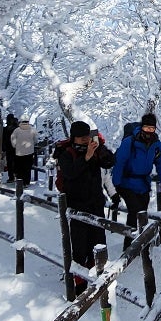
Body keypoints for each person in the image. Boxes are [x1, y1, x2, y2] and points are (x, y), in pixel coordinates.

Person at [54, 120, 115, 293]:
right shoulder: (66, 153)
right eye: (81, 138)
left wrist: (101, 147)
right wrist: (86, 157)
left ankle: (99, 278)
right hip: (77, 206)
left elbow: (110, 162)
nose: (84, 140)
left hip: (95, 204)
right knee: (80, 247)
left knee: (98, 243)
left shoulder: (95, 149)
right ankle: (79, 284)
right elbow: (70, 173)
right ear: (74, 138)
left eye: (86, 137)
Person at [111, 112, 161, 241]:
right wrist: (116, 184)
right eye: (146, 128)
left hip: (143, 184)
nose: (149, 131)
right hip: (126, 183)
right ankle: (129, 247)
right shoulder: (130, 142)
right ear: (142, 127)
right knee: (134, 212)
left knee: (143, 214)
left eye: (152, 128)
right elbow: (119, 162)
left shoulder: (156, 145)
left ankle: (140, 247)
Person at [9, 117, 37, 186]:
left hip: (19, 152)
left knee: (19, 168)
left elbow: (13, 140)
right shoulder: (33, 130)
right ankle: (27, 182)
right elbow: (36, 140)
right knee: (27, 168)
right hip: (29, 152)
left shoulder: (16, 130)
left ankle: (20, 182)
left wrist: (16, 146)